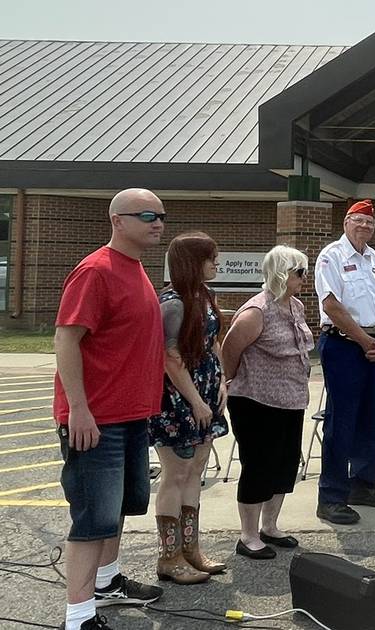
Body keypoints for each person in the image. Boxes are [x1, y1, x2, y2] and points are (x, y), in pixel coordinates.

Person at [54, 188, 167, 630]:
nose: (158, 222)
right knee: (93, 516)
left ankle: (107, 582)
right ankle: (78, 616)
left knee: (119, 506)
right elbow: (66, 340)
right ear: (118, 221)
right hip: (96, 418)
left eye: (161, 215)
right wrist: (78, 409)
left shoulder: (135, 269)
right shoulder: (95, 271)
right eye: (147, 215)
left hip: (131, 414)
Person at [221, 245, 314, 560]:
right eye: (299, 272)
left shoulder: (296, 306)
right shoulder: (256, 311)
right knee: (258, 466)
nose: (304, 278)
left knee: (285, 465)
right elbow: (230, 350)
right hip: (256, 401)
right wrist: (231, 381)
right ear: (281, 274)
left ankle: (270, 526)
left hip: (291, 400)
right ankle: (247, 535)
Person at [149, 231, 228, 584]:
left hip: (206, 395)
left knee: (196, 469)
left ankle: (191, 548)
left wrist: (221, 382)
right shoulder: (173, 302)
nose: (216, 263)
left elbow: (212, 344)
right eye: (211, 258)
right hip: (178, 401)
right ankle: (170, 555)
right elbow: (170, 358)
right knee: (176, 473)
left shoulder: (204, 296)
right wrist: (195, 400)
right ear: (193, 262)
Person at [313, 199, 375, 525]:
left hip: (374, 345)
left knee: (370, 420)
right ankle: (332, 495)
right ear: (346, 222)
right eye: (359, 221)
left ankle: (363, 484)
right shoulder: (331, 256)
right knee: (342, 421)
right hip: (344, 345)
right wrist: (365, 340)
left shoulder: (374, 258)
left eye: (370, 224)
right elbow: (332, 305)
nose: (365, 227)